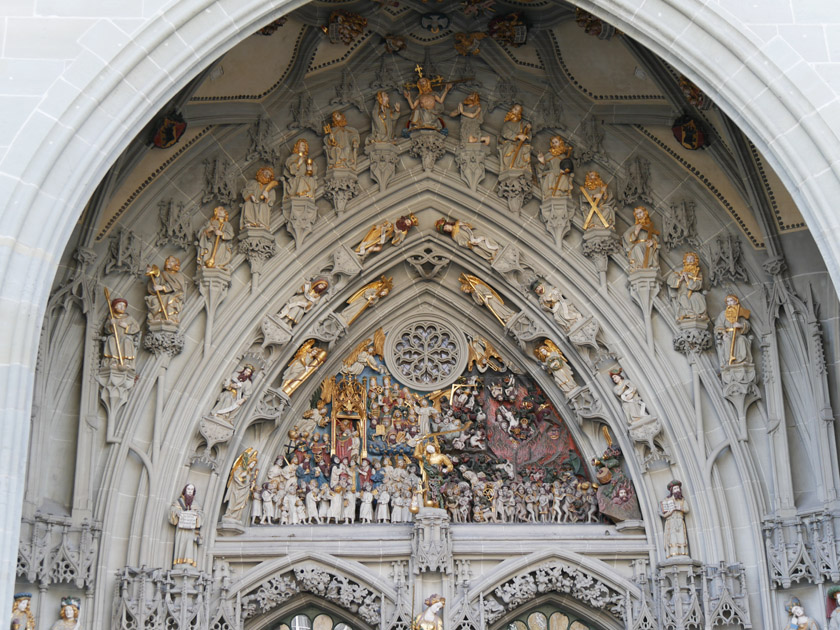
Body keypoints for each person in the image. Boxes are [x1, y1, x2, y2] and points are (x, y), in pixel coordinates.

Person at [666, 252, 708, 321]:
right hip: (682, 292)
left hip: (693, 293)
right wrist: (680, 279)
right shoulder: (680, 271)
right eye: (688, 259)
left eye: (692, 259)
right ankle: (690, 313)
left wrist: (688, 280)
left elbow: (699, 285)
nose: (690, 261)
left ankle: (700, 314)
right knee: (683, 298)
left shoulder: (698, 273)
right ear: (685, 260)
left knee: (698, 297)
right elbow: (670, 280)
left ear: (695, 261)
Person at [169, 483, 202, 568]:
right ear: (185, 490)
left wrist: (196, 516)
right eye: (188, 489)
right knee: (181, 544)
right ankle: (179, 562)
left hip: (191, 530)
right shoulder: (179, 502)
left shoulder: (195, 504)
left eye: (191, 490)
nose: (190, 491)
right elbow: (172, 510)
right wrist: (177, 512)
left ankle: (189, 563)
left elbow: (201, 514)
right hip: (181, 530)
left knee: (189, 545)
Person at [102, 297, 141, 370]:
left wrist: (127, 327)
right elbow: (106, 329)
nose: (122, 307)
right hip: (115, 336)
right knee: (111, 340)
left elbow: (137, 327)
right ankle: (113, 361)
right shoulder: (111, 317)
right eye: (120, 305)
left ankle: (126, 362)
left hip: (125, 337)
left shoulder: (129, 318)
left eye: (124, 306)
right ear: (115, 306)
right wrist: (110, 324)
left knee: (127, 341)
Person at [714, 294, 752, 367]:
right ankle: (729, 360)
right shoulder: (723, 314)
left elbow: (747, 325)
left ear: (736, 302)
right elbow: (719, 326)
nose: (730, 303)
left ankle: (741, 360)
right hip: (728, 334)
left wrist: (740, 325)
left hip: (737, 335)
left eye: (731, 301)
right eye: (728, 302)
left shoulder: (739, 312)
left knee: (742, 340)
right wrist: (724, 333)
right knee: (727, 341)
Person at [145, 256, 185, 324]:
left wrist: (163, 287)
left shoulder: (179, 276)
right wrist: (153, 275)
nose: (169, 263)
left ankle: (171, 318)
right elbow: (154, 286)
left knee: (170, 299)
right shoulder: (163, 274)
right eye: (168, 261)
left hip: (175, 294)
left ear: (176, 264)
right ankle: (157, 318)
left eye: (172, 261)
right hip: (163, 295)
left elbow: (177, 286)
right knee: (154, 300)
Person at [223, 447, 258, 522]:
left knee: (241, 505)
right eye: (252, 463)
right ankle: (230, 514)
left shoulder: (249, 472)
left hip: (245, 490)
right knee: (234, 501)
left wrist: (251, 484)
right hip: (237, 489)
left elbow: (247, 481)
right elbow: (235, 477)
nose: (253, 465)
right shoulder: (241, 469)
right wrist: (242, 475)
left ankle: (236, 516)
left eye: (254, 464)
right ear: (249, 462)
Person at [622, 206, 660, 271]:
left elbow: (656, 237)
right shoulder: (635, 227)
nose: (639, 215)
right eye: (637, 214)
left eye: (640, 212)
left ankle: (648, 266)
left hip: (647, 244)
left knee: (650, 248)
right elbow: (626, 235)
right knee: (637, 248)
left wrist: (653, 242)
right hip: (638, 244)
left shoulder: (650, 225)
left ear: (645, 213)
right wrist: (636, 233)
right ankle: (642, 267)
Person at [660, 480, 689, 558]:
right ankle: (673, 553)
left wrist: (680, 508)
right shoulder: (666, 500)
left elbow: (687, 509)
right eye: (675, 489)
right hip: (671, 521)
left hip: (679, 520)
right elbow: (662, 513)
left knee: (681, 538)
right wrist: (670, 511)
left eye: (677, 489)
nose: (676, 490)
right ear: (671, 491)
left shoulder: (682, 500)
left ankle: (682, 553)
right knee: (673, 538)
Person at [498, 104, 531, 171]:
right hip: (510, 143)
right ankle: (510, 166)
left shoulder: (522, 124)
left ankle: (520, 166)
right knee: (511, 147)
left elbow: (527, 132)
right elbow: (505, 132)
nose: (515, 111)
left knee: (525, 148)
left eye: (518, 110)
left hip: (520, 144)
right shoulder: (507, 124)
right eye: (515, 109)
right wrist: (517, 136)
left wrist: (528, 129)